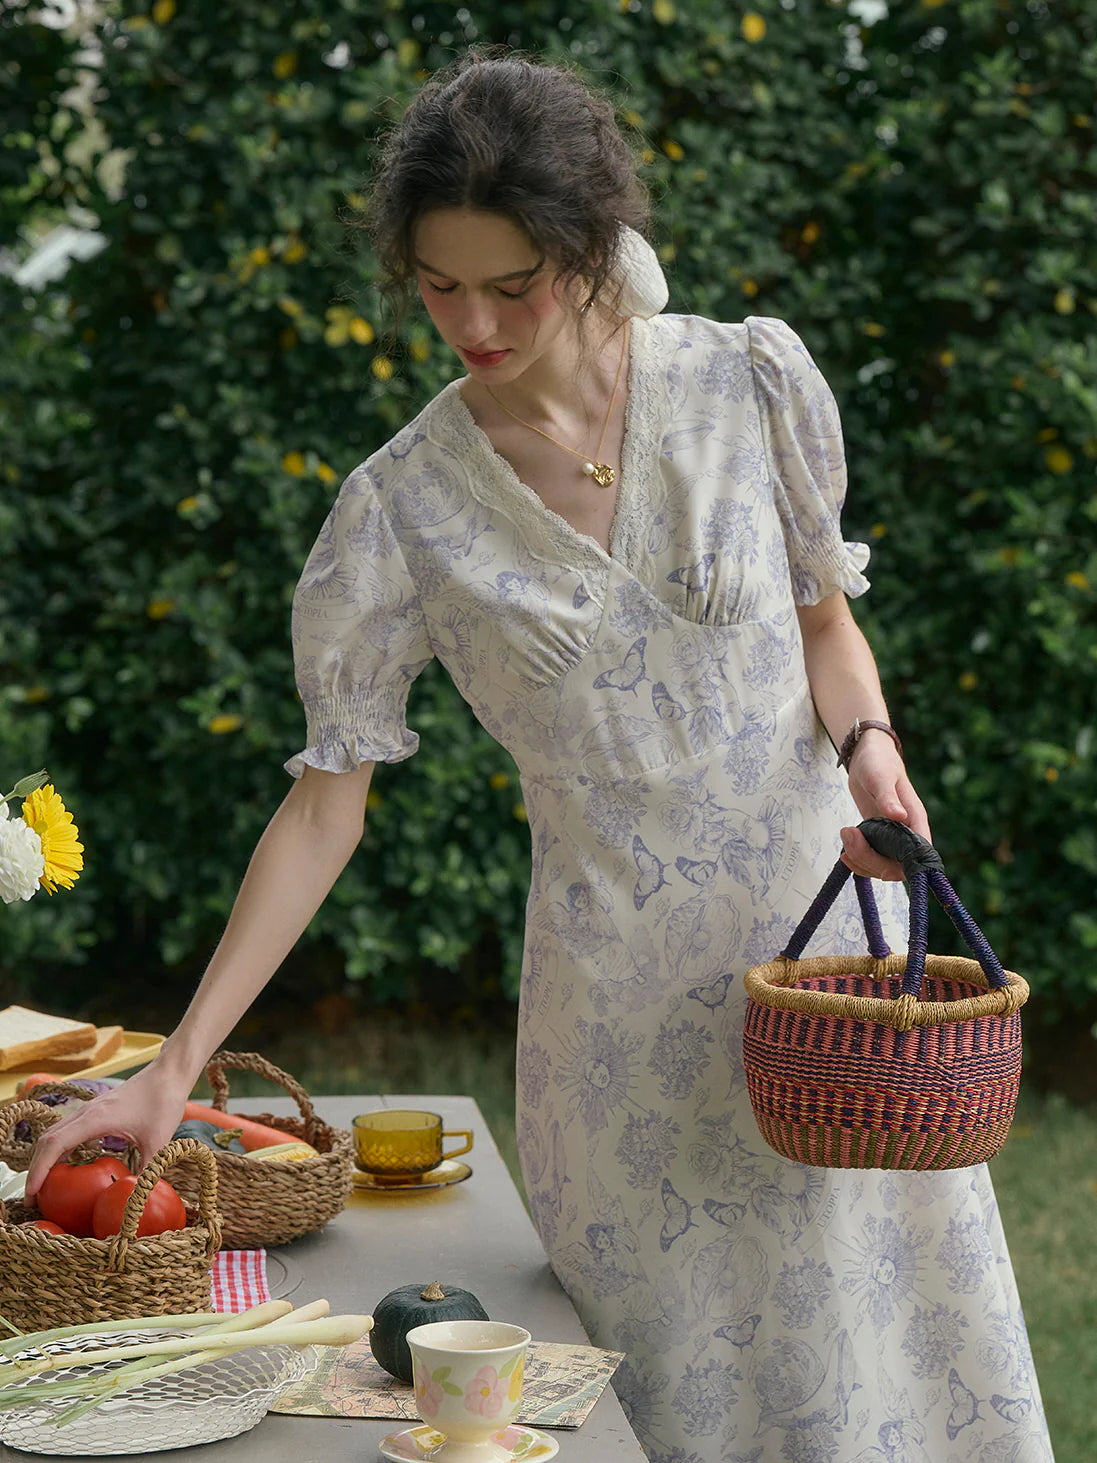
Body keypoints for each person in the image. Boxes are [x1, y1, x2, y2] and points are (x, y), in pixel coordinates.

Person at [27, 50, 1052, 1463]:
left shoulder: (747, 383)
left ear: (585, 250)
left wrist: (871, 752)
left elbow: (828, 630)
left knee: (880, 1357)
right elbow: (323, 814)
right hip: (614, 1014)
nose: (474, 322)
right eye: (440, 286)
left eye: (512, 283)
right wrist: (178, 1065)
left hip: (832, 978)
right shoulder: (398, 511)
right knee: (674, 1391)